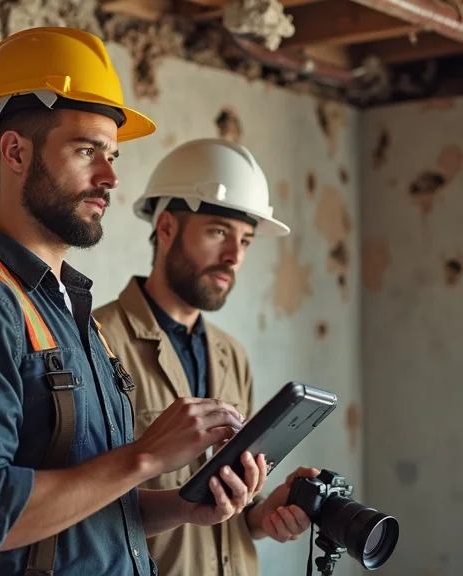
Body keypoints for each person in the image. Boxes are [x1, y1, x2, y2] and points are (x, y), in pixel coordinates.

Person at [0, 28, 269, 576]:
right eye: (87, 150)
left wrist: (182, 507)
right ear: (15, 151)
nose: (111, 177)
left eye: (112, 155)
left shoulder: (70, 311)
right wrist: (145, 456)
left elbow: (87, 513)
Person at [94, 138, 320, 576]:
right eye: (218, 232)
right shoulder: (97, 342)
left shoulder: (231, 355)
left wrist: (264, 514)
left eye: (246, 241)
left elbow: (228, 509)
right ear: (166, 228)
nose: (234, 256)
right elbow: (85, 503)